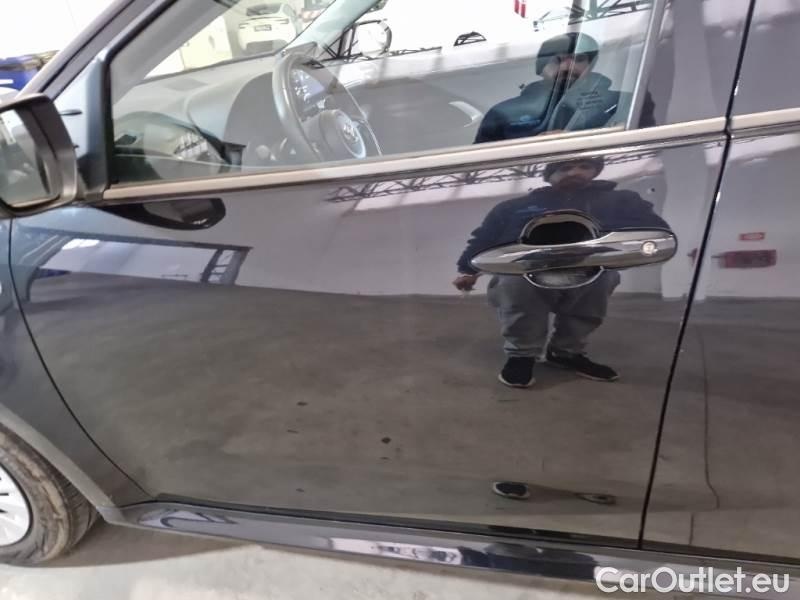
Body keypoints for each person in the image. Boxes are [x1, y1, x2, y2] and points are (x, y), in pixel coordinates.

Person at [453, 158, 670, 390]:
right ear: (549, 175)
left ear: (596, 171)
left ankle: (565, 352)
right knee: (516, 290)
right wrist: (468, 270)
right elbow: (485, 239)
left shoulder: (622, 201)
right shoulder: (513, 207)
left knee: (597, 290)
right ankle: (522, 355)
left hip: (591, 267)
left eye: (584, 166)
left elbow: (652, 230)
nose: (575, 172)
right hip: (527, 270)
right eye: (565, 168)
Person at [475, 32, 655, 144]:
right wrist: (530, 148)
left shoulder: (626, 103)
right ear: (541, 68)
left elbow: (649, 149)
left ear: (591, 66)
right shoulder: (503, 113)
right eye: (557, 60)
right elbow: (481, 164)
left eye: (579, 59)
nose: (568, 67)